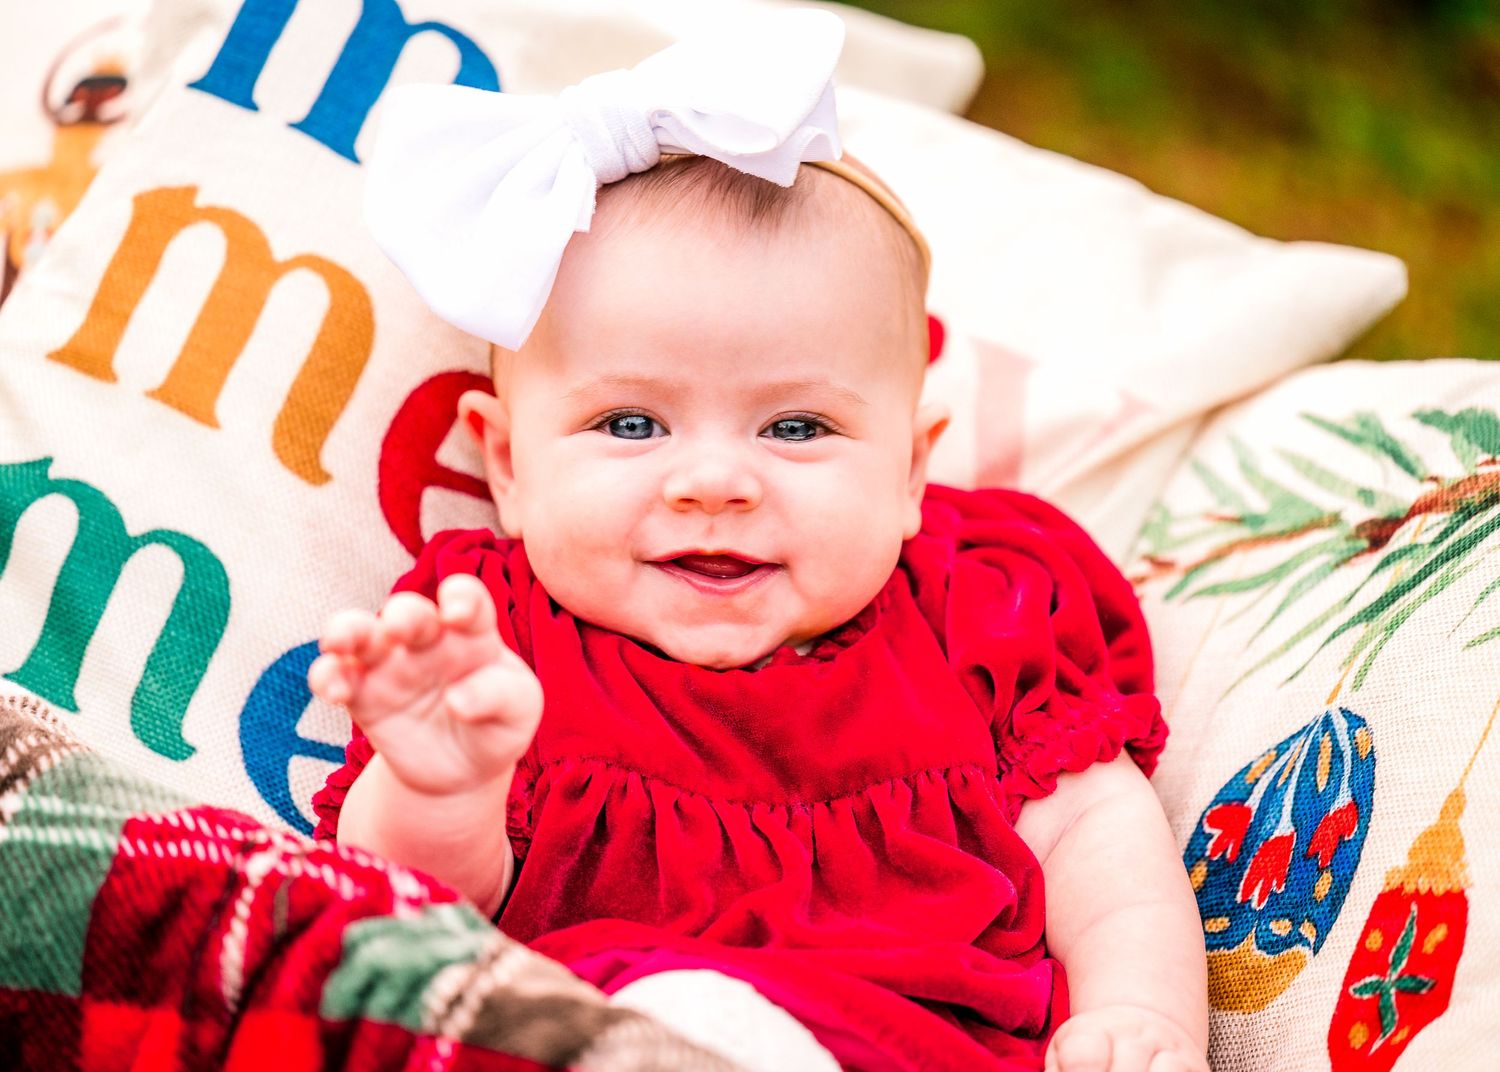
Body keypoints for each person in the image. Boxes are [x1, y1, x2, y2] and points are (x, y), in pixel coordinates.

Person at [308, 12, 1208, 1072]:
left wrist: (1144, 1017)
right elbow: (410, 924)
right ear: (505, 466)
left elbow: (1102, 838)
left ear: (913, 471)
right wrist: (438, 786)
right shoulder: (491, 651)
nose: (715, 485)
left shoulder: (982, 614)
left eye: (796, 427)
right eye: (631, 424)